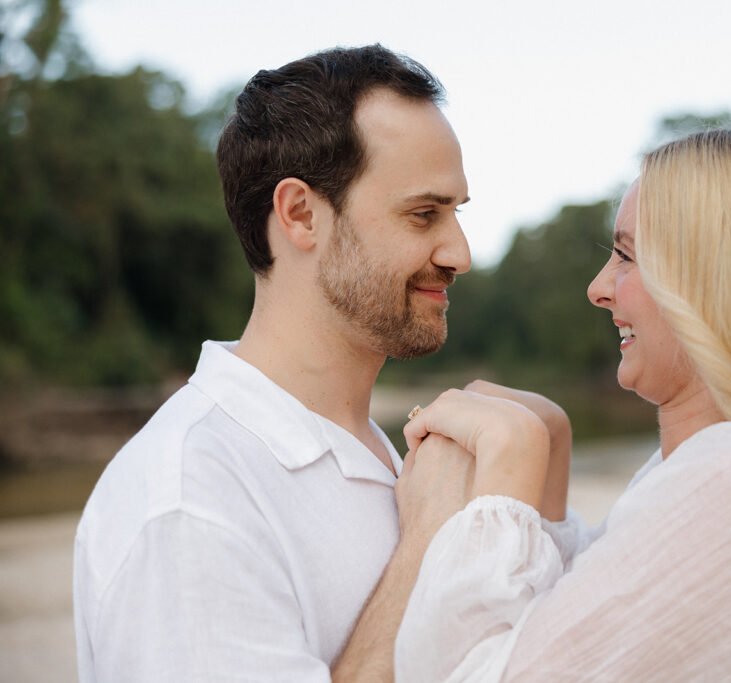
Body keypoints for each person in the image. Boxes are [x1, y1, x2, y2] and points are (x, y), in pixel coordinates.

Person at [391, 127, 731, 681]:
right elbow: (581, 638)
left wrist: (504, 471)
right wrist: (551, 451)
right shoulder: (701, 468)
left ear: (721, 281)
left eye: (626, 256)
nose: (598, 288)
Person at [73, 44, 482, 682]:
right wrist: (428, 539)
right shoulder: (191, 504)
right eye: (424, 214)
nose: (459, 251)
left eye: (456, 213)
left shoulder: (377, 454)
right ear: (299, 214)